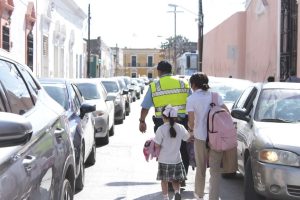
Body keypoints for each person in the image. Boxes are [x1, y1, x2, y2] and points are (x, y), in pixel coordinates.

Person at [138, 60, 191, 186]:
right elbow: (192, 102)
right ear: (171, 70)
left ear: (159, 71)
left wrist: (142, 121)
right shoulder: (183, 83)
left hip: (162, 123)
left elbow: (145, 106)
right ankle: (181, 177)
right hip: (182, 122)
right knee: (183, 149)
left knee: (164, 151)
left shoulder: (155, 85)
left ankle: (167, 179)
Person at [186, 72, 229, 200]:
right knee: (215, 171)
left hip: (200, 138)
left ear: (193, 84)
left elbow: (192, 121)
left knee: (201, 168)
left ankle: (199, 196)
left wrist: (190, 131)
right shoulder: (215, 96)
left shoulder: (192, 99)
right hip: (216, 138)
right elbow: (227, 112)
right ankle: (213, 198)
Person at [153, 105, 193, 200]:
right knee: (176, 180)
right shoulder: (180, 127)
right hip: (176, 159)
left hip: (164, 160)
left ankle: (166, 197)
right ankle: (177, 192)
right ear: (175, 117)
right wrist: (191, 131)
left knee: (164, 180)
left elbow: (157, 145)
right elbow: (187, 139)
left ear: (163, 117)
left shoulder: (161, 129)